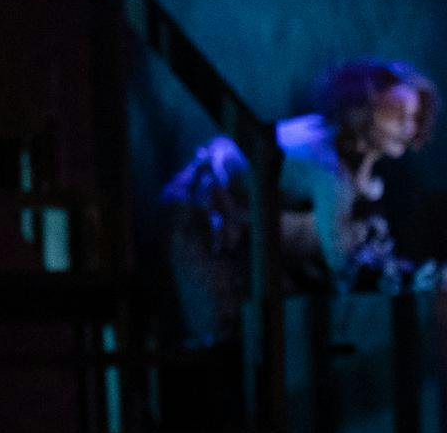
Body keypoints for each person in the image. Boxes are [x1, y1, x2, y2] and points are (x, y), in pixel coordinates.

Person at [162, 57, 436, 348]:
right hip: (195, 211)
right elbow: (341, 259)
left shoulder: (338, 160)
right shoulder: (323, 163)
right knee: (224, 337)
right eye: (396, 114)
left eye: (414, 117)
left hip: (239, 225)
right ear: (363, 109)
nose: (408, 126)